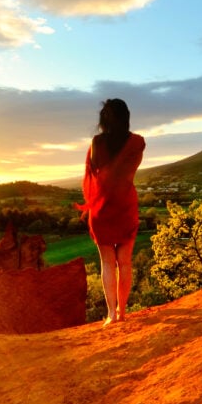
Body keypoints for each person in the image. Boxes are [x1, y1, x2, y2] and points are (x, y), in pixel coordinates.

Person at [77, 99, 145, 326]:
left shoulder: (97, 142)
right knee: (125, 262)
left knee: (108, 263)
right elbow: (128, 172)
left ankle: (111, 315)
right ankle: (123, 312)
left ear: (104, 119)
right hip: (125, 206)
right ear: (126, 117)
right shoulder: (137, 142)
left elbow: (97, 172)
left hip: (102, 208)